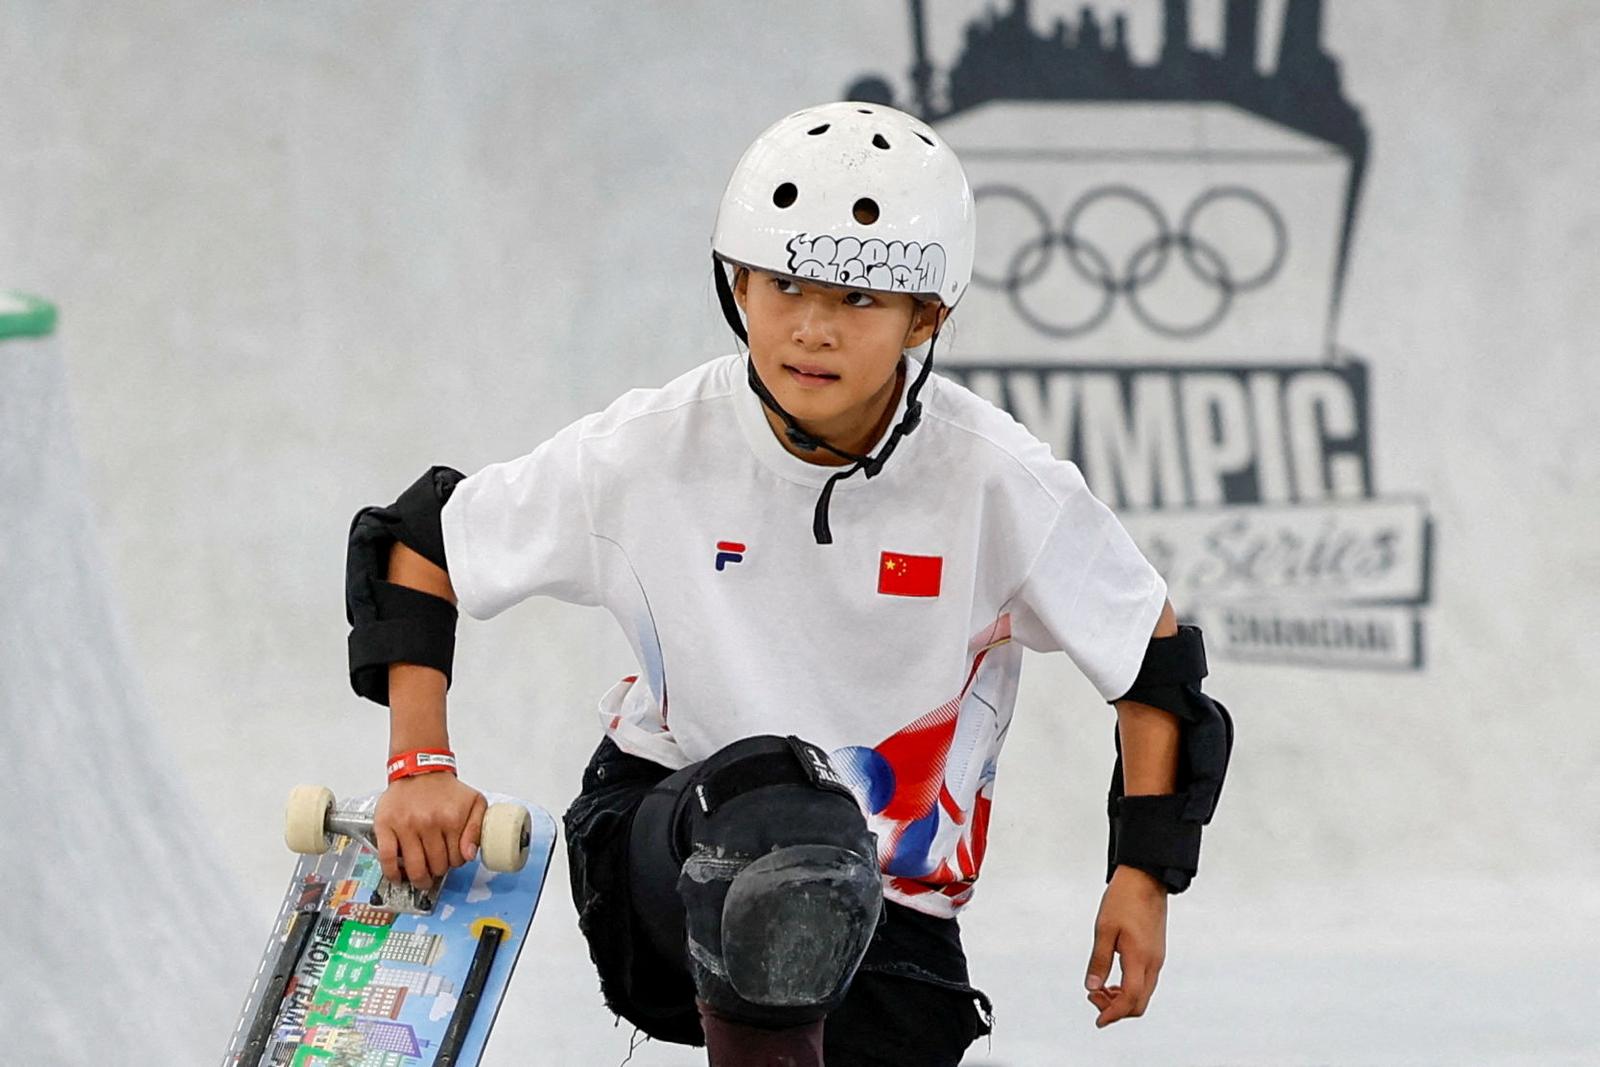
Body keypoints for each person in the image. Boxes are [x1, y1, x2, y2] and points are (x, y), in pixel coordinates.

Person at [344, 100, 1233, 1066]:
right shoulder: (652, 448)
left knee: (840, 903)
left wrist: (1141, 878)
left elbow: (1154, 663)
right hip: (662, 853)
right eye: (785, 286)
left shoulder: (993, 477)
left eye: (857, 301)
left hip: (885, 905)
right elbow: (420, 538)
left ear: (923, 316)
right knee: (788, 813)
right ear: (738, 285)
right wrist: (418, 766)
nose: (811, 329)